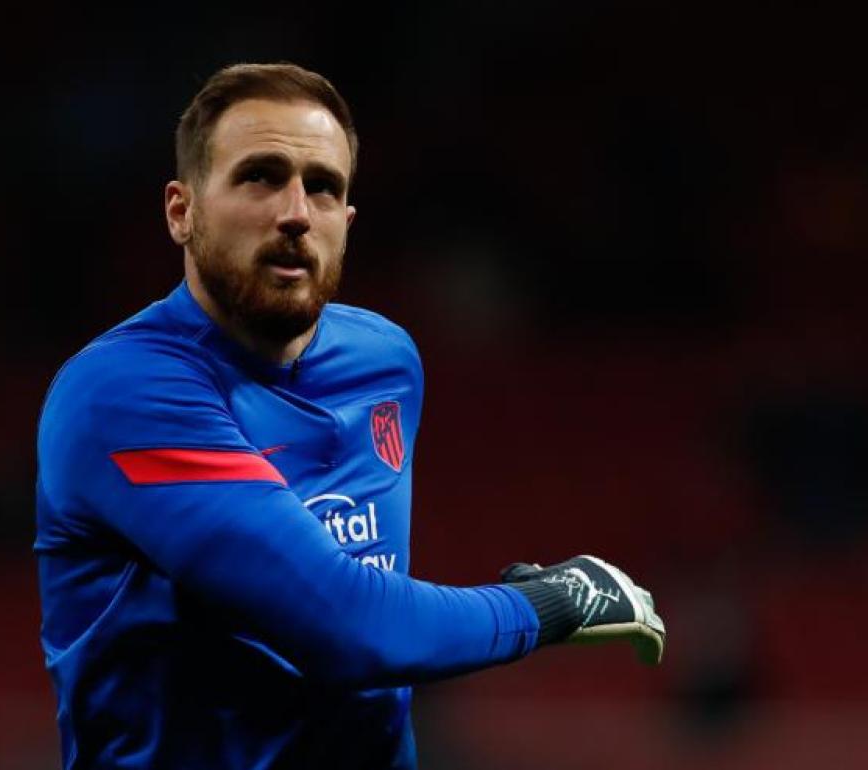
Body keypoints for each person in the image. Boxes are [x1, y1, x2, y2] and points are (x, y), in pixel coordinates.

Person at [35, 62, 666, 770]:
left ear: (347, 222)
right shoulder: (121, 394)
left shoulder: (385, 361)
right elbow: (348, 624)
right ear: (182, 211)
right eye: (260, 177)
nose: (295, 213)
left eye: (323, 188)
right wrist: (557, 603)